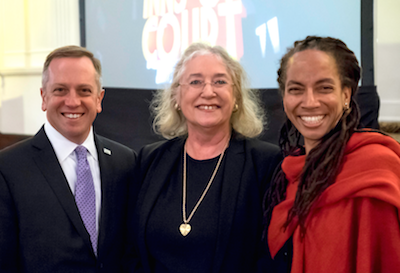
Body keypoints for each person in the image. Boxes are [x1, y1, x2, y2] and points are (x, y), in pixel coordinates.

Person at [125, 42, 282, 273]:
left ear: (236, 96)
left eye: (220, 81)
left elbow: (270, 256)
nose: (208, 92)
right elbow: (130, 250)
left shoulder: (266, 163)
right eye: (195, 81)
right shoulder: (150, 160)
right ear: (177, 96)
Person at [265, 36, 400, 273]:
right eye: (296, 89)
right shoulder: (286, 172)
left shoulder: (376, 169)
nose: (309, 102)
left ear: (346, 95)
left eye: (324, 88)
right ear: (285, 98)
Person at [0, 46, 137, 272]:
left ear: (99, 98)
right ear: (44, 97)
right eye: (60, 90)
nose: (72, 102)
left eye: (84, 90)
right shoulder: (8, 169)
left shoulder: (125, 162)